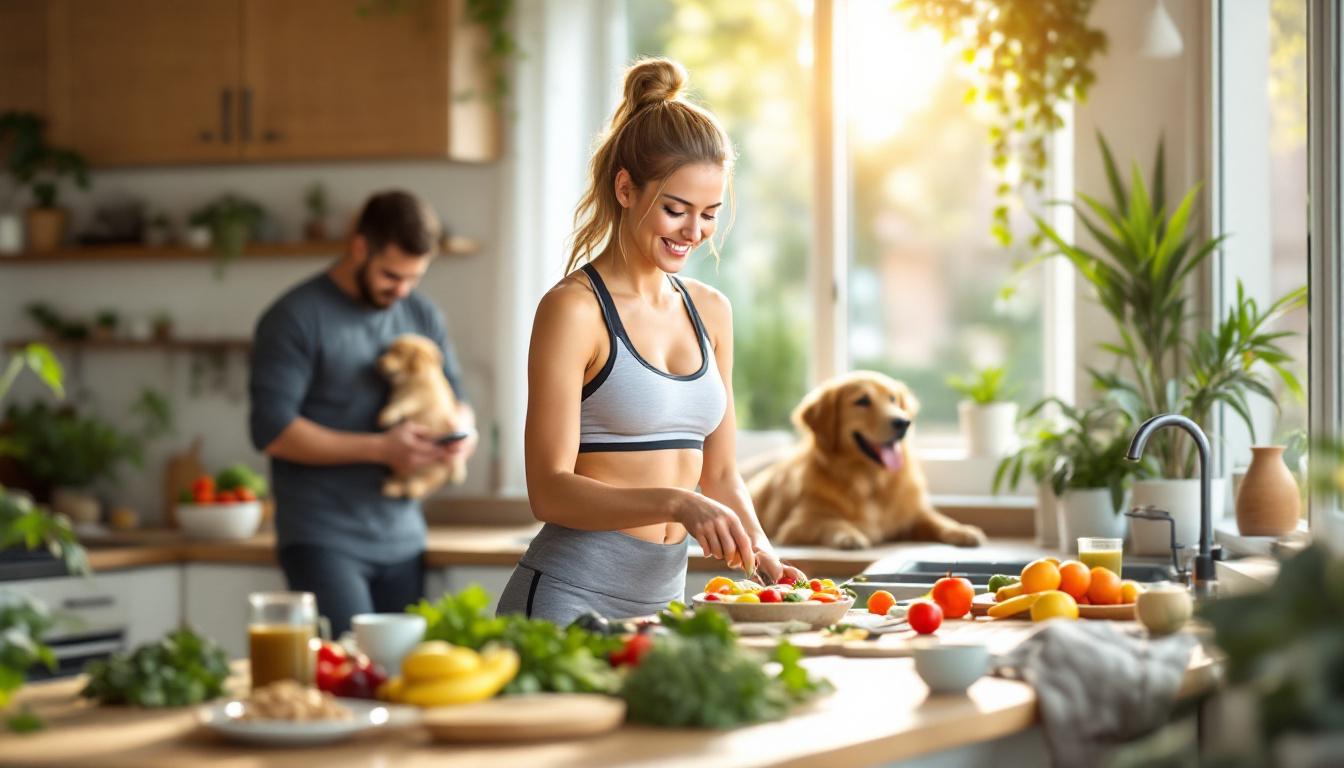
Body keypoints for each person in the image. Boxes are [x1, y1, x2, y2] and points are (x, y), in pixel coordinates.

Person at [496, 58, 805, 625]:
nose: (693, 232)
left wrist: (761, 552)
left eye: (709, 214)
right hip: (567, 600)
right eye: (675, 209)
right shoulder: (574, 310)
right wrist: (674, 501)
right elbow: (549, 491)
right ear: (625, 189)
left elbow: (719, 474)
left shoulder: (711, 311)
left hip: (662, 606)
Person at [248, 190, 477, 636]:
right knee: (351, 680)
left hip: (405, 537)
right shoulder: (294, 317)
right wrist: (381, 449)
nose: (402, 290)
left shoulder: (420, 313)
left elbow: (459, 399)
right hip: (323, 538)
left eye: (414, 277)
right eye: (392, 275)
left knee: (404, 685)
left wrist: (462, 435)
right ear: (358, 247)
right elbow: (272, 429)